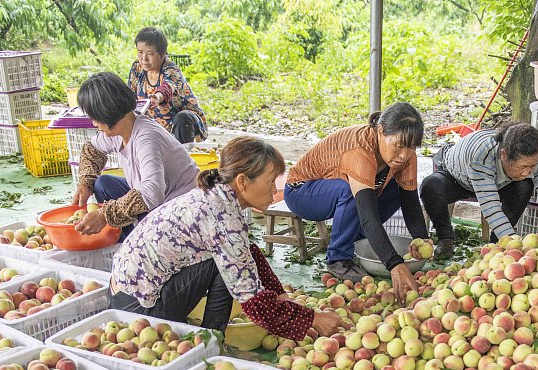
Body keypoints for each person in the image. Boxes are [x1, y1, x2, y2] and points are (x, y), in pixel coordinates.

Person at [110, 136, 343, 339]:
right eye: (271, 181)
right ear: (242, 181)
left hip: (127, 294)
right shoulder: (222, 215)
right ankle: (212, 339)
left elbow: (246, 252)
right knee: (226, 267)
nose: (274, 190)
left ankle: (210, 336)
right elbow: (254, 302)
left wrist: (280, 295)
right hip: (139, 312)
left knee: (228, 260)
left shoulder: (216, 196)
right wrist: (311, 319)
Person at [284, 102, 431, 303]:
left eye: (411, 146)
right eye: (399, 145)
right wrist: (394, 263)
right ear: (380, 131)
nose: (404, 154)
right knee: (350, 191)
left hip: (338, 192)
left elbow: (410, 199)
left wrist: (421, 238)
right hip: (302, 192)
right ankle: (338, 259)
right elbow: (368, 215)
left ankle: (355, 238)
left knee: (397, 189)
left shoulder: (405, 156)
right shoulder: (359, 149)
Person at [419, 123, 538, 259]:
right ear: (504, 155)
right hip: (456, 178)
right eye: (522, 167)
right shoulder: (482, 156)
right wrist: (516, 248)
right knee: (430, 186)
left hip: (495, 183)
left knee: (525, 185)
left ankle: (496, 243)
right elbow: (491, 208)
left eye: (532, 166)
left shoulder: (532, 158)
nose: (527, 172)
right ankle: (446, 238)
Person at [72, 71, 199, 238]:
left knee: (131, 206)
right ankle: (127, 236)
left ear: (108, 113)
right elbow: (92, 149)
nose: (94, 123)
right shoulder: (120, 131)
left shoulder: (146, 138)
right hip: (158, 198)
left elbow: (152, 194)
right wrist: (85, 183)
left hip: (180, 210)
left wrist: (104, 215)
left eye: (95, 118)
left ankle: (134, 241)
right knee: (103, 183)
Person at [129, 26, 208, 145]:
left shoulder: (171, 69)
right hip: (155, 126)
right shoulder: (137, 68)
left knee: (183, 118)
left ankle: (184, 154)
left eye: (150, 54)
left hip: (183, 123)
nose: (144, 59)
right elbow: (129, 94)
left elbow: (167, 88)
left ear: (162, 54)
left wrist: (156, 97)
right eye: (140, 52)